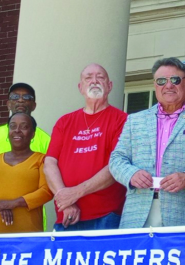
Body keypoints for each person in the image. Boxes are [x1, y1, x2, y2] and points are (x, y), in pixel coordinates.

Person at [109, 57, 185, 228]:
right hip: (138, 212)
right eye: (161, 81)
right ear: (154, 84)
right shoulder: (134, 120)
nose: (168, 85)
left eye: (175, 80)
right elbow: (117, 158)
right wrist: (131, 174)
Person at [44, 64, 128, 231]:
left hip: (105, 215)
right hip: (66, 215)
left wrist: (75, 193)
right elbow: (49, 163)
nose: (94, 81)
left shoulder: (122, 120)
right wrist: (65, 201)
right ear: (80, 87)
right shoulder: (64, 122)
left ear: (110, 86)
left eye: (100, 77)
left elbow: (116, 165)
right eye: (88, 78)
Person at [0, 82, 51, 232]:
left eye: (26, 97)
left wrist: (12, 203)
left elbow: (48, 188)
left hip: (29, 226)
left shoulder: (46, 140)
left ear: (34, 105)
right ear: (8, 103)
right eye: (15, 97)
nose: (21, 100)